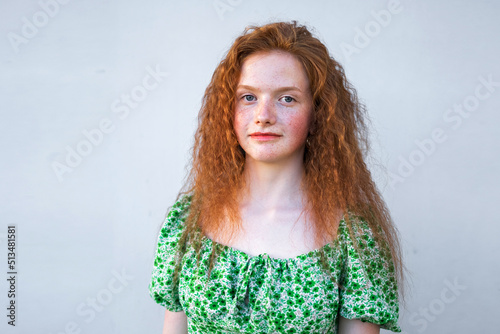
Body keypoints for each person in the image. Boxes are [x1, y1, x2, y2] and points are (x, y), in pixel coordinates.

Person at [149, 21, 405, 333]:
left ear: (317, 115)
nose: (264, 115)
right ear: (227, 110)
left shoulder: (354, 235)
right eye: (248, 97)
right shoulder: (187, 220)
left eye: (287, 98)